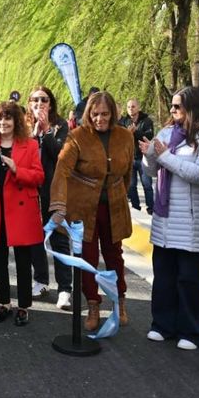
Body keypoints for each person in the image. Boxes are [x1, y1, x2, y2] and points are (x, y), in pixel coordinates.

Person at [140, 87, 199, 350]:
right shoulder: (165, 133)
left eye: (178, 107)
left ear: (193, 108)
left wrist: (164, 156)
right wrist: (149, 155)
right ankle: (162, 324)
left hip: (193, 220)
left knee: (190, 278)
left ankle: (193, 331)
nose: (173, 111)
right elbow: (152, 171)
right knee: (164, 275)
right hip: (166, 218)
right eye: (172, 107)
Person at [50, 91, 134, 331]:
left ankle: (120, 302)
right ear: (88, 113)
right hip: (84, 208)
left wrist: (118, 193)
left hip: (114, 206)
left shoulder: (125, 136)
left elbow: (128, 173)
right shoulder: (76, 137)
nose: (100, 119)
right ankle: (93, 305)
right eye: (95, 114)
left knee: (114, 256)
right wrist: (59, 205)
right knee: (87, 257)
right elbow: (61, 170)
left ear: (113, 114)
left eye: (105, 114)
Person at [0, 102, 45, 325]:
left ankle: (23, 306)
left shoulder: (30, 145)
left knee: (23, 263)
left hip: (21, 212)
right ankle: (4, 303)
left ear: (16, 121)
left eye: (8, 118)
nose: (3, 123)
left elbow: (38, 177)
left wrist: (17, 169)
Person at [26, 87, 73, 310]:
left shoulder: (61, 125)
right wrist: (34, 134)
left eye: (44, 99)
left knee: (59, 239)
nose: (39, 103)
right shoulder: (23, 126)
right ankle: (41, 280)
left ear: (51, 103)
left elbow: (62, 156)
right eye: (35, 99)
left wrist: (45, 133)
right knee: (35, 239)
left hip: (56, 191)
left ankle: (65, 288)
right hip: (31, 192)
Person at [119, 98, 155, 215]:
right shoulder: (124, 122)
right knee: (131, 185)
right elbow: (120, 138)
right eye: (129, 107)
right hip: (129, 159)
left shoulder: (146, 121)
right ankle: (135, 208)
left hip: (143, 158)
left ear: (138, 108)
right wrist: (128, 133)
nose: (131, 109)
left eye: (133, 106)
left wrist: (136, 132)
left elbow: (148, 136)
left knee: (147, 184)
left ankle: (151, 208)